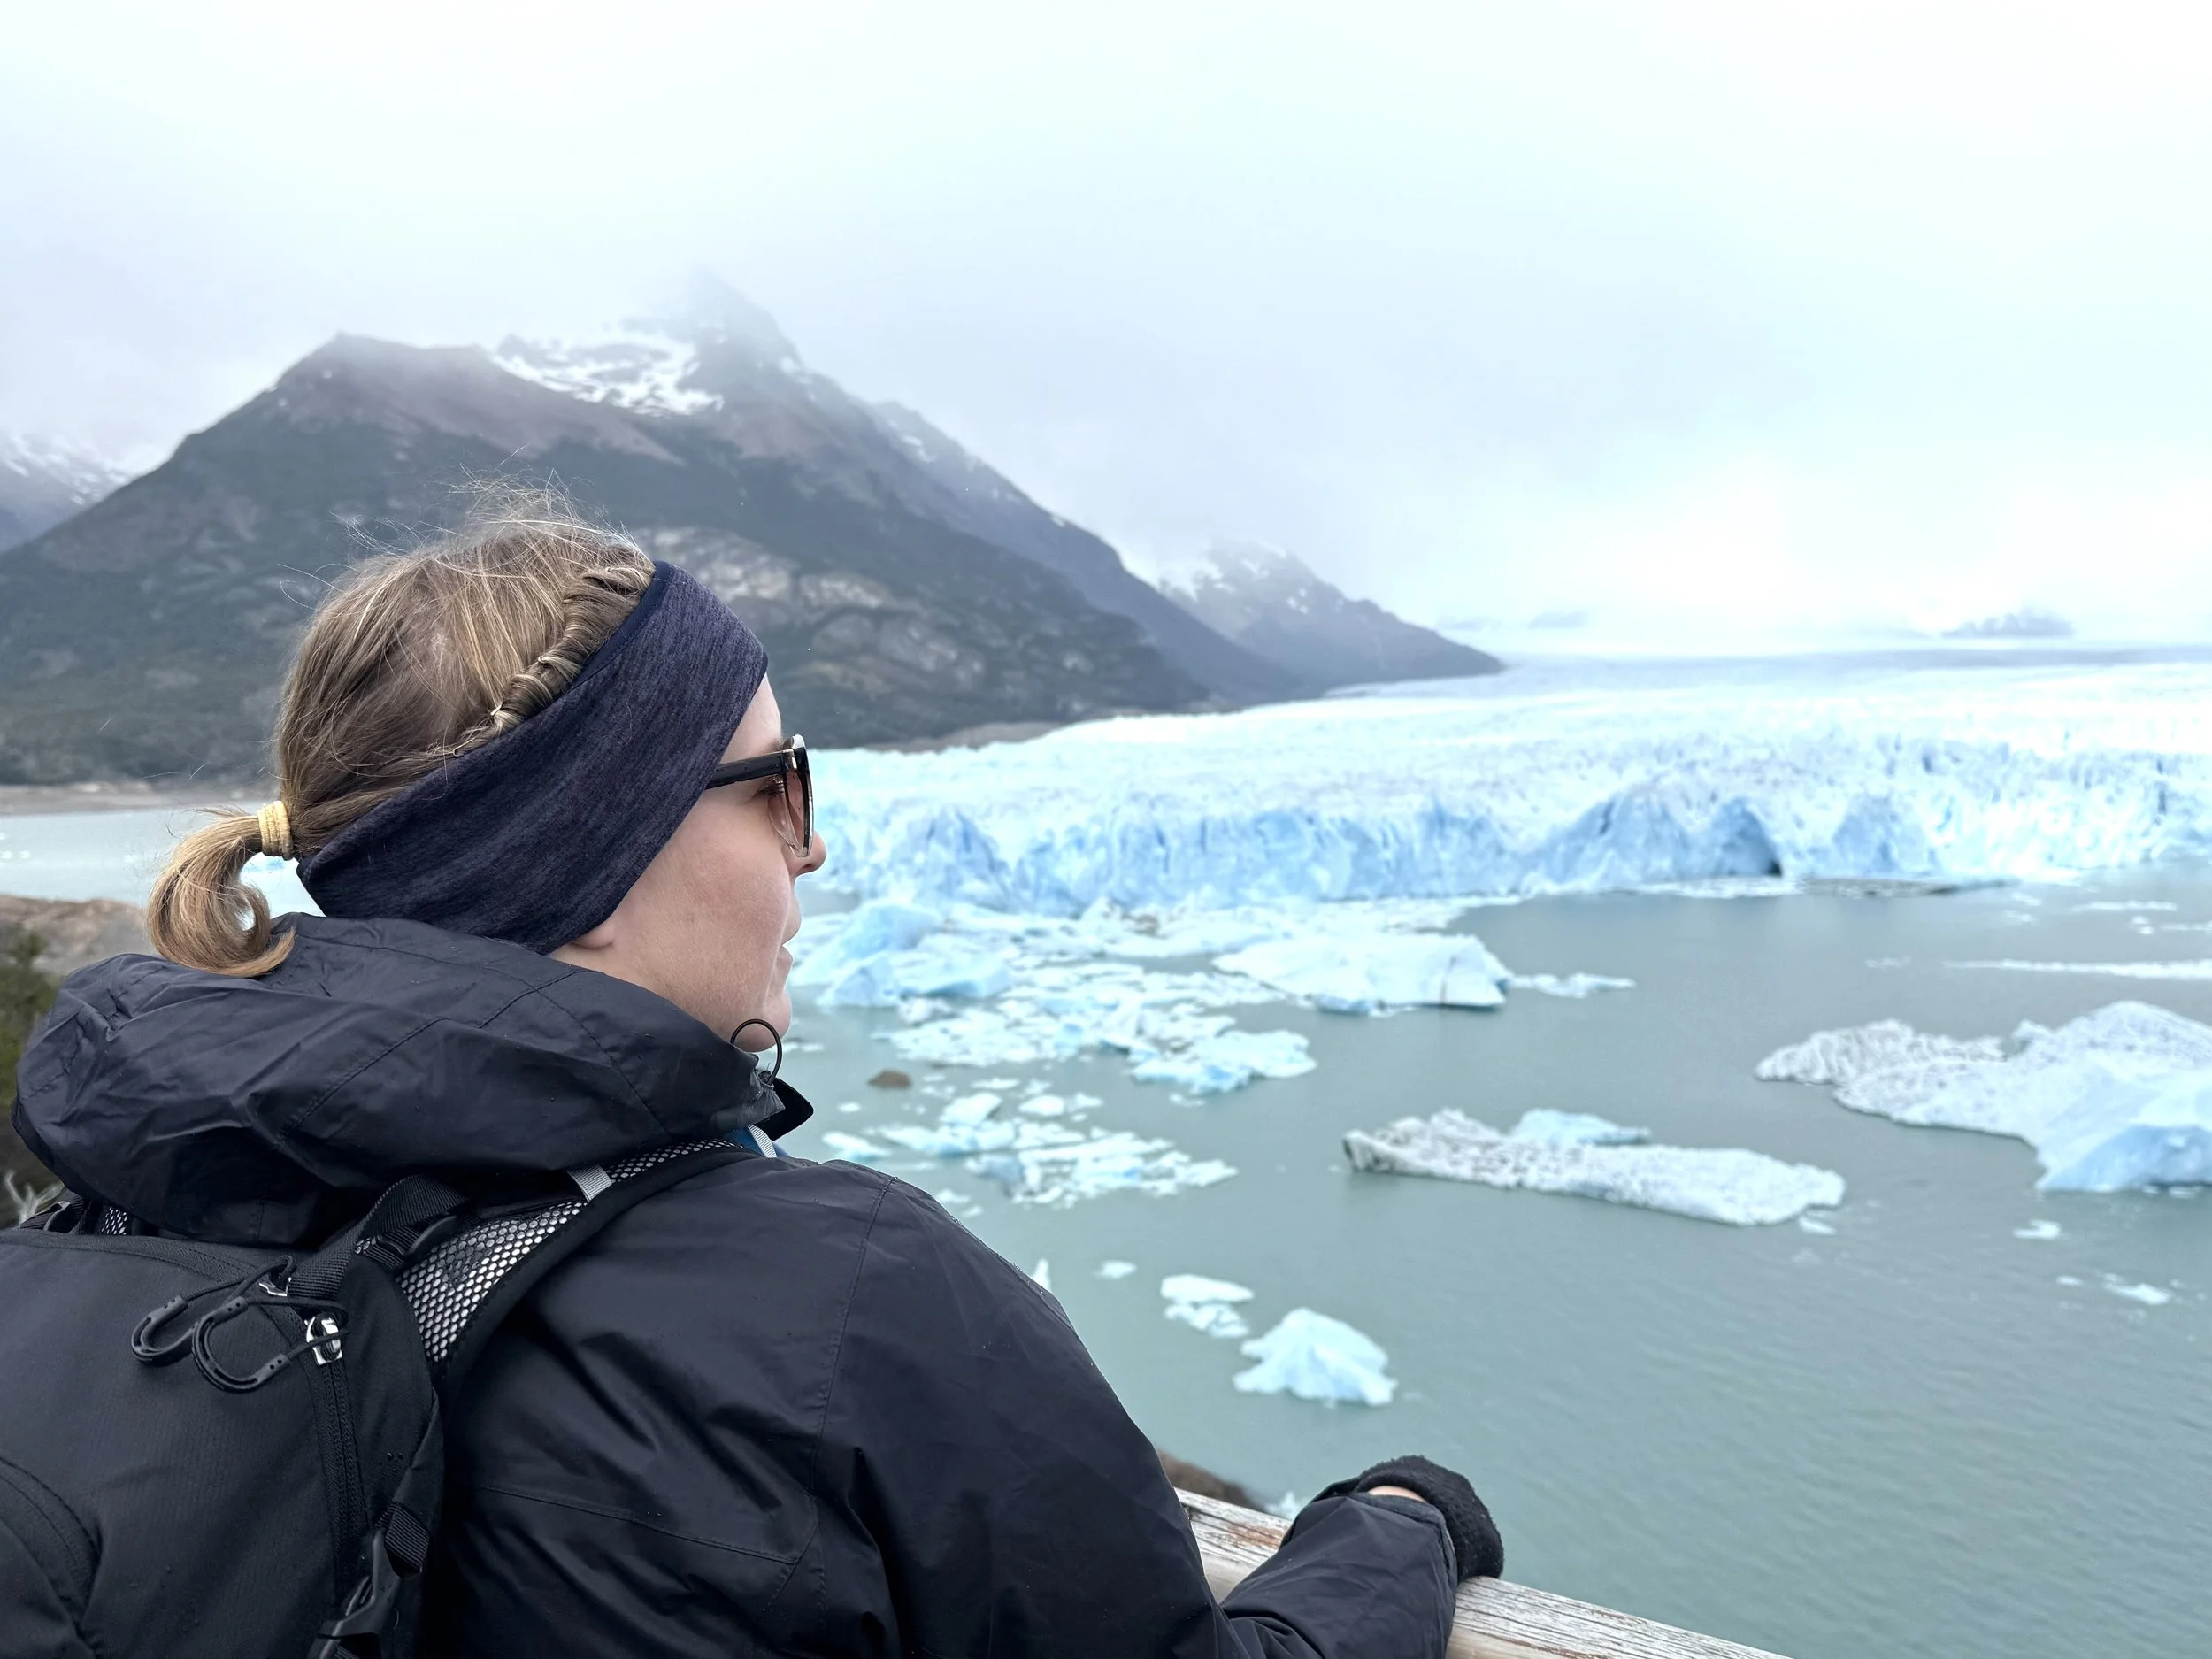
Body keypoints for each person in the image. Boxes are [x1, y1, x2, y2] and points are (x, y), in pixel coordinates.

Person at [12, 494, 1502, 1656]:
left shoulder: (118, 1208)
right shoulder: (852, 1305)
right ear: (593, 854)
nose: (813, 846)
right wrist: (1393, 1531)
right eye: (779, 784)